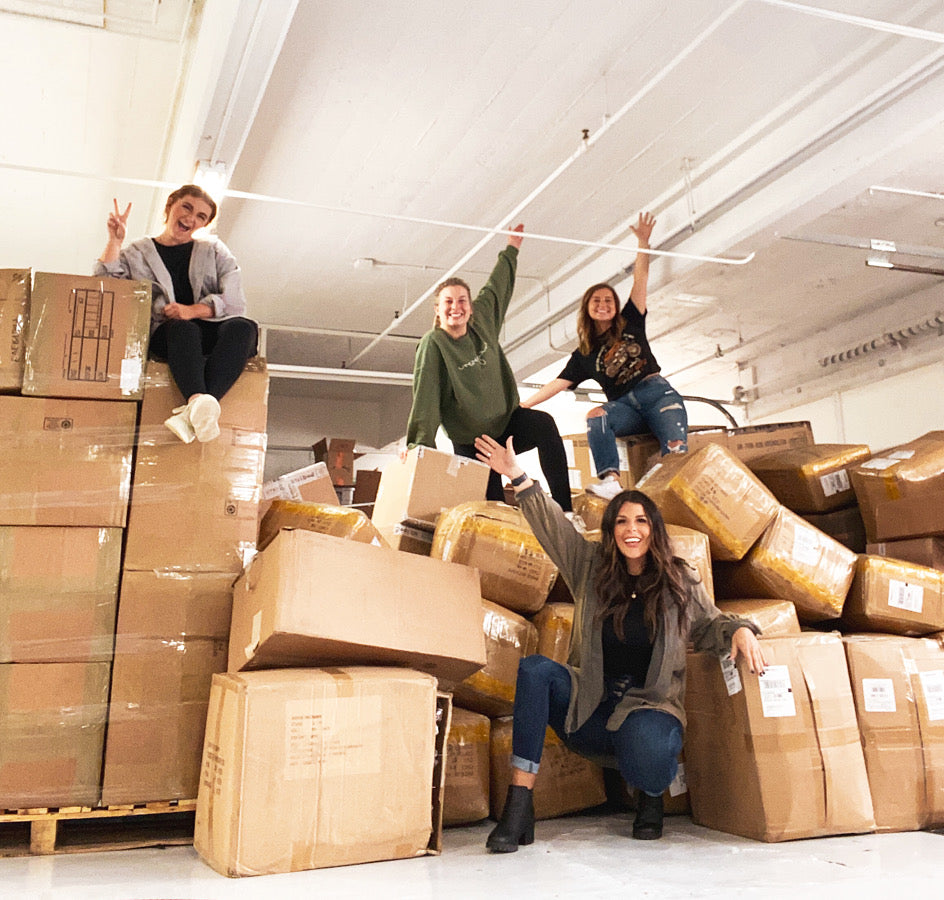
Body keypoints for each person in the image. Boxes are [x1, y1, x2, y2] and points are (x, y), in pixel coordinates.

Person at [472, 432, 766, 852]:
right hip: (590, 705)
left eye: (641, 521)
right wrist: (518, 475)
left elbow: (710, 624)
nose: (632, 530)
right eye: (622, 521)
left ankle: (650, 795)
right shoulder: (589, 566)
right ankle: (519, 805)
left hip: (648, 709)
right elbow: (553, 527)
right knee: (536, 671)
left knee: (648, 747)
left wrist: (740, 629)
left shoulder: (678, 580)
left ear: (654, 529)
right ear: (611, 530)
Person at [520, 212, 687, 501]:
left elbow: (640, 279)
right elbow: (557, 384)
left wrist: (643, 243)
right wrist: (523, 406)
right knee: (596, 416)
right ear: (587, 308)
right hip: (624, 408)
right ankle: (610, 480)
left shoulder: (631, 320)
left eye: (609, 300)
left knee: (675, 458)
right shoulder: (585, 354)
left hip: (657, 395)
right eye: (596, 300)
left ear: (615, 305)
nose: (603, 304)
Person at [405, 226, 573, 512]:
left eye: (462, 301)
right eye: (448, 302)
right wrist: (417, 450)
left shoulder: (482, 321)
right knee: (494, 508)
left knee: (544, 425)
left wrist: (512, 249)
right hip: (473, 443)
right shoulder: (433, 345)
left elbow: (497, 287)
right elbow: (426, 399)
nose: (456, 307)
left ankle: (566, 511)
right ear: (437, 309)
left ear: (470, 307)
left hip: (508, 423)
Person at [94, 185, 258, 443]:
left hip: (210, 329)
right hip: (169, 335)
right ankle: (197, 402)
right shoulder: (137, 253)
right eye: (186, 208)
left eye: (201, 216)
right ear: (170, 205)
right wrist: (115, 241)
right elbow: (106, 286)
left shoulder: (214, 250)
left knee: (244, 327)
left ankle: (194, 409)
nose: (191, 218)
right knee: (183, 328)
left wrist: (192, 310)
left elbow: (235, 300)